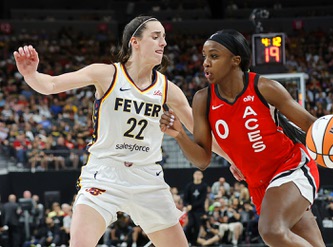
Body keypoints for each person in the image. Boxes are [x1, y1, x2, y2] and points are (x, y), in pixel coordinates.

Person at [13, 16, 240, 247]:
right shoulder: (106, 74)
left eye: (164, 37)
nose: (163, 43)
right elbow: (51, 85)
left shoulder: (168, 89)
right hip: (105, 172)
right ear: (135, 42)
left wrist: (233, 159)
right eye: (156, 36)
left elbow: (201, 133)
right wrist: (31, 74)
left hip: (147, 177)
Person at [160, 29, 333, 246]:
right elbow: (202, 160)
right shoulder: (202, 99)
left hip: (290, 167)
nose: (206, 63)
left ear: (235, 61)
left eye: (214, 56)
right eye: (204, 56)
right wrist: (180, 135)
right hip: (258, 184)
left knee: (271, 231)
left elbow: (311, 125)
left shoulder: (264, 87)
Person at [183, 170, 208, 245]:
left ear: (202, 176)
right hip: (190, 211)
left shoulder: (204, 186)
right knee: (190, 225)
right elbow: (185, 198)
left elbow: (202, 200)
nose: (197, 176)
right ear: (193, 175)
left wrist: (192, 206)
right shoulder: (189, 186)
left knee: (197, 227)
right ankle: (187, 242)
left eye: (199, 174)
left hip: (199, 210)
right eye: (196, 174)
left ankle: (194, 243)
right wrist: (186, 205)